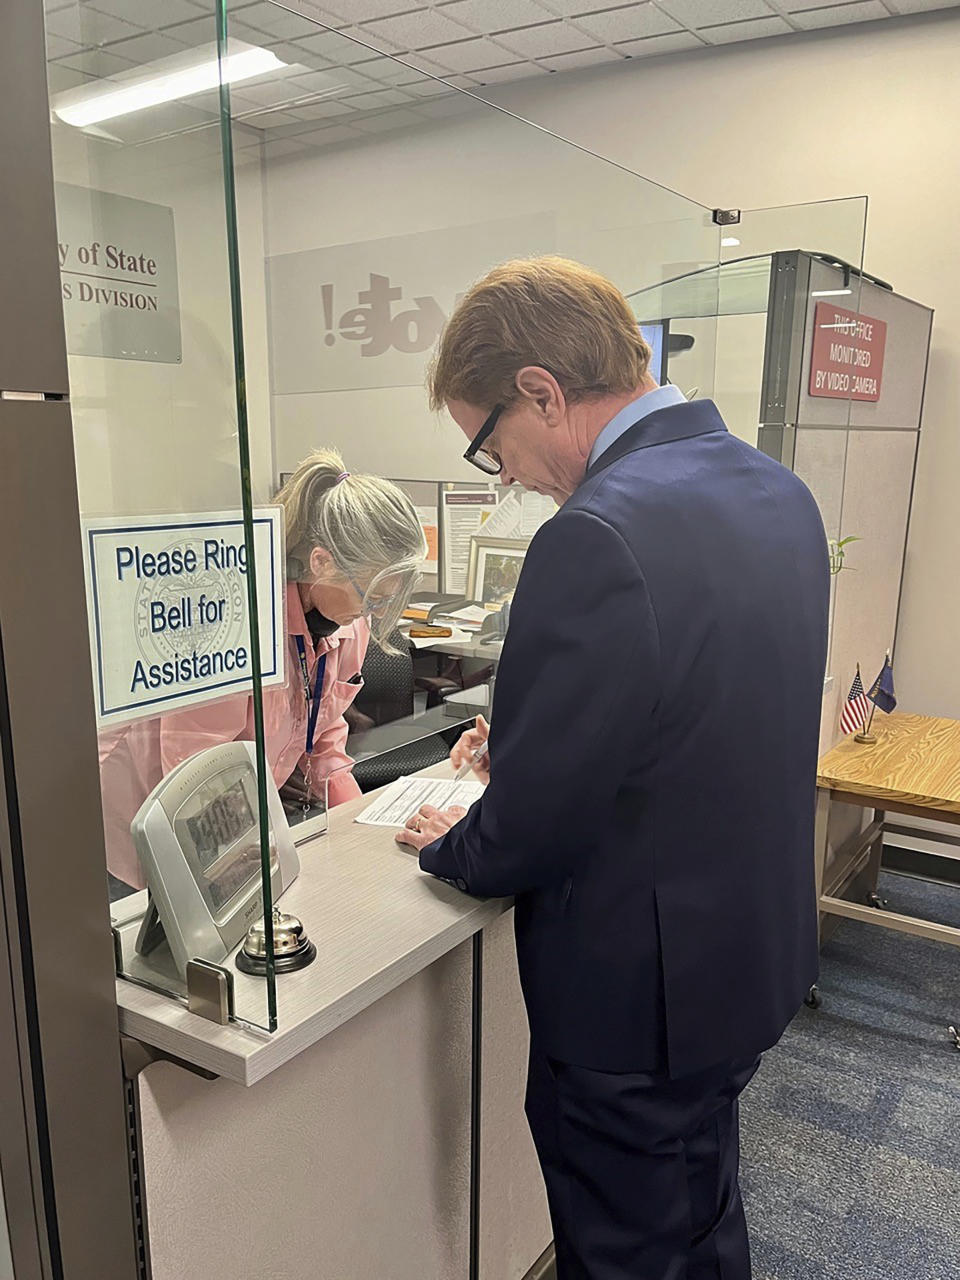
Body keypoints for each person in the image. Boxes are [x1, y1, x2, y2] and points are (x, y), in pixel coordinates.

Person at [397, 257, 830, 1279]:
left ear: (541, 390)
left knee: (628, 1249)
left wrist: (447, 844)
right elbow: (701, 701)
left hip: (639, 1001)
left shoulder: (595, 529)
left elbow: (538, 825)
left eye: (489, 442)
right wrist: (543, 721)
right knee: (698, 1207)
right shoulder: (778, 490)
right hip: (745, 959)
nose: (502, 475)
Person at [101, 448, 425, 890]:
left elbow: (325, 745)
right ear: (321, 562)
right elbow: (194, 774)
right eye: (371, 595)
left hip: (234, 817)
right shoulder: (235, 622)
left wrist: (364, 834)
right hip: (139, 815)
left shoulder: (350, 627)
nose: (376, 611)